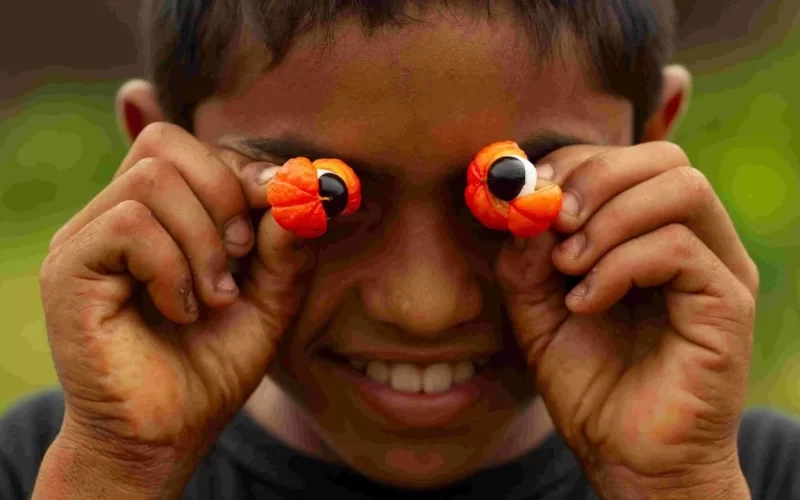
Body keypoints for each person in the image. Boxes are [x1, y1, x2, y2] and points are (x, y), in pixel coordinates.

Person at [2, 0, 798, 498]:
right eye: (326, 194)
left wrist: (677, 487)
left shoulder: (754, 476)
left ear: (651, 141)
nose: (425, 308)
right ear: (158, 156)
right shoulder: (48, 466)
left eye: (514, 190)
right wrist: (117, 473)